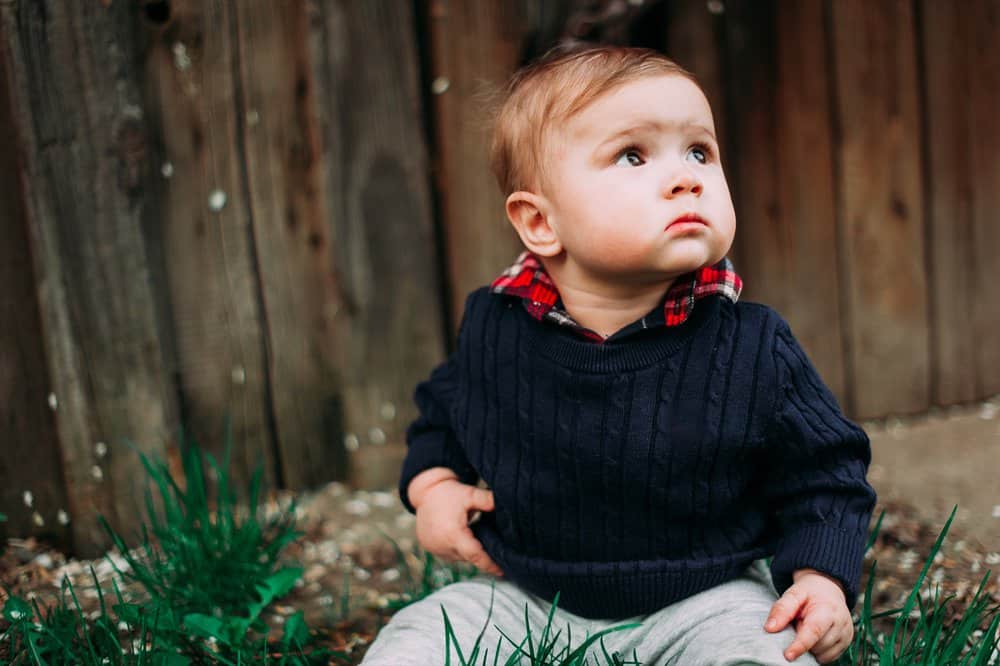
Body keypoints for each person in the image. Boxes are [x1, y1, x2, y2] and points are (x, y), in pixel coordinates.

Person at [361, 44, 876, 665]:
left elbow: (827, 473)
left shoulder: (751, 345)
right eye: (632, 155)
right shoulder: (496, 327)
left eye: (699, 151)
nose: (688, 176)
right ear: (539, 223)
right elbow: (444, 411)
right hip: (521, 593)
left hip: (705, 595)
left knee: (756, 652)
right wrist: (434, 486)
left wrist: (820, 577)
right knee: (414, 643)